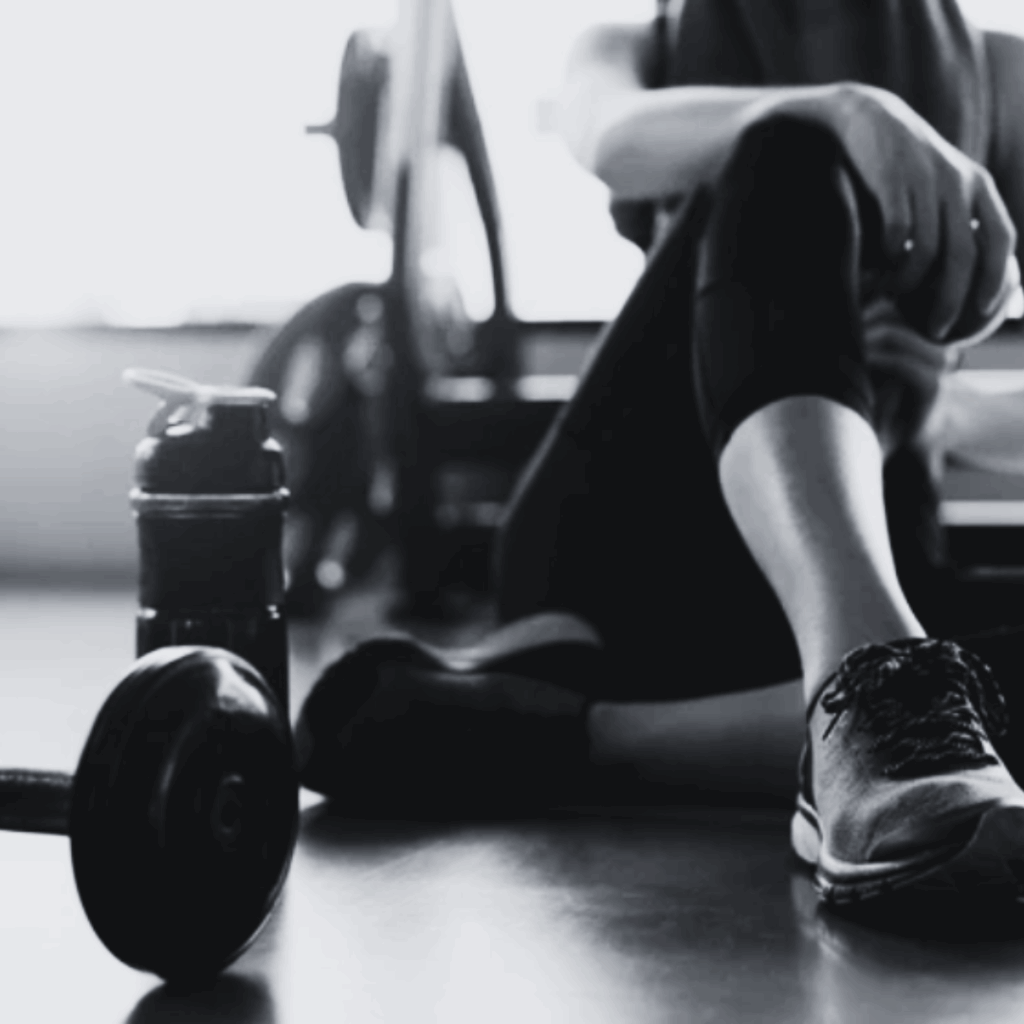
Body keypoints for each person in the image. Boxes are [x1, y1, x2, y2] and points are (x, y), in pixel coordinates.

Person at [297, 0, 1024, 907]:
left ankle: (573, 736)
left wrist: (950, 415)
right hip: (631, 555)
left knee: (959, 674)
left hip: (872, 591)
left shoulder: (999, 76)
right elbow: (609, 136)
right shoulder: (629, 47)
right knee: (790, 146)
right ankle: (870, 687)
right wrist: (843, 108)